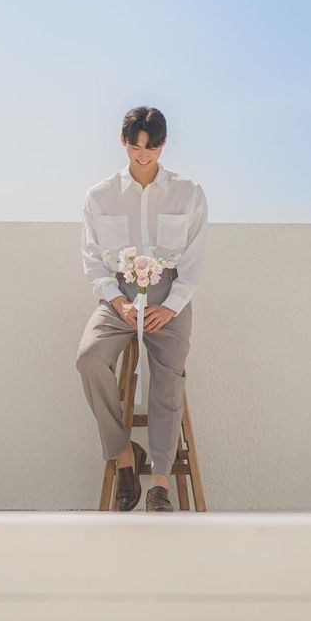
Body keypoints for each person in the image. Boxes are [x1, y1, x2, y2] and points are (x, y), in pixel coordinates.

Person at [75, 106, 208, 512]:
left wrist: (170, 307)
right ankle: (124, 454)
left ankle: (161, 482)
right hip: (118, 298)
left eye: (151, 148)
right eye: (135, 147)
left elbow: (194, 261)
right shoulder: (100, 196)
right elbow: (93, 259)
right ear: (124, 142)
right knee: (89, 358)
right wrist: (116, 299)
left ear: (163, 145)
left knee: (167, 381)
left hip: (169, 299)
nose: (143, 156)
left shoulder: (189, 193)